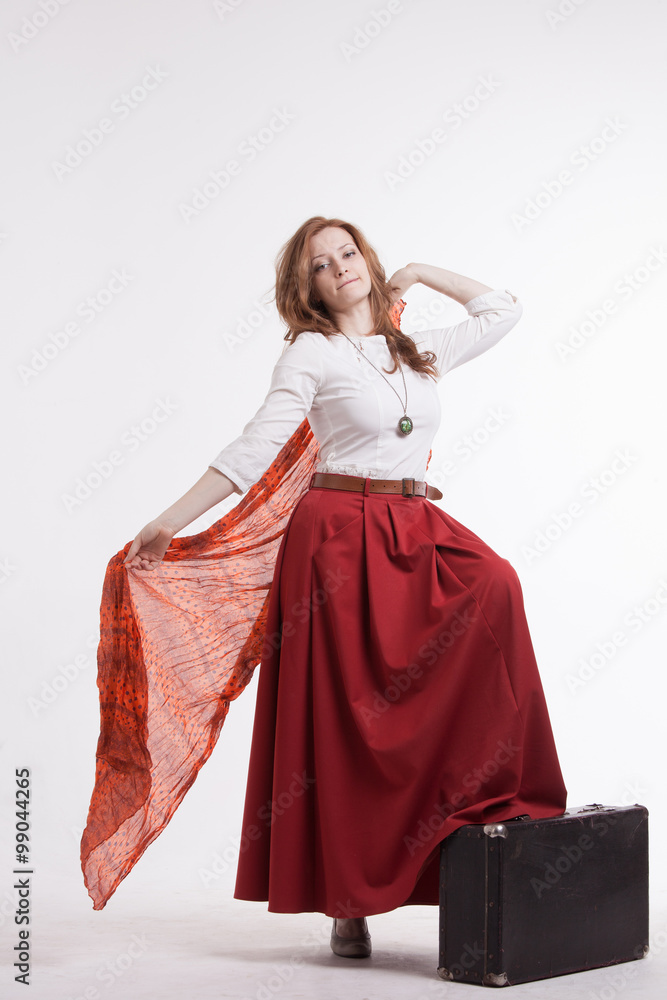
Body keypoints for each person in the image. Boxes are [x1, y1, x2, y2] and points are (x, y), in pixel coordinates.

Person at [122, 216, 567, 959]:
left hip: (412, 521)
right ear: (309, 289)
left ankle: (478, 812)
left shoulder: (414, 352)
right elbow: (256, 443)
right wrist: (169, 521)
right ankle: (344, 898)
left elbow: (504, 310)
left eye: (347, 252)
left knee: (495, 584)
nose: (340, 268)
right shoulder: (311, 351)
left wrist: (420, 271)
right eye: (321, 265)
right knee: (349, 717)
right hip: (335, 536)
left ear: (367, 258)